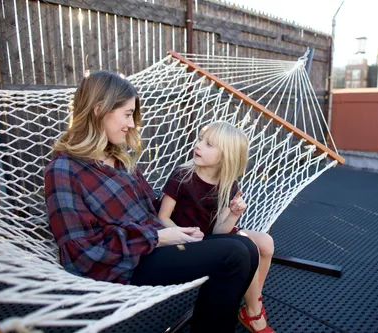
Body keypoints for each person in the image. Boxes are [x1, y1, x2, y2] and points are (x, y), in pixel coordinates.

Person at [44, 70, 260, 333]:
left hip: (157, 243)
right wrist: (157, 238)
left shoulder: (120, 158)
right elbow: (80, 252)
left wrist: (187, 214)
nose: (132, 125)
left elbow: (151, 208)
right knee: (234, 254)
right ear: (99, 110)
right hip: (127, 264)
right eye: (127, 114)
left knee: (247, 247)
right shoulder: (64, 170)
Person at [158, 121, 275, 333]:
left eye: (209, 144)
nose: (198, 145)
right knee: (250, 247)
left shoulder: (228, 183)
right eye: (200, 140)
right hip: (190, 240)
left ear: (225, 156)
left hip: (214, 236)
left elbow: (220, 231)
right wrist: (181, 235)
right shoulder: (182, 176)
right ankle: (253, 314)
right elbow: (162, 217)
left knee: (266, 242)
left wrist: (233, 213)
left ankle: (253, 303)